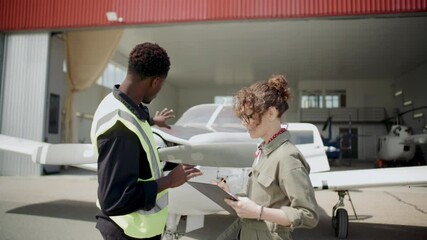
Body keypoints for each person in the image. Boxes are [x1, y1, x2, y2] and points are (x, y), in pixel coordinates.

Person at [90, 42, 202, 240]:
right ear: (155, 82)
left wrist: (153, 121)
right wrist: (170, 181)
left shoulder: (116, 103)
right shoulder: (120, 130)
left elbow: (139, 154)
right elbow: (114, 200)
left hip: (131, 229)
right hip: (129, 231)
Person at [217, 74, 319, 240]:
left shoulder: (287, 157)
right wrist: (230, 194)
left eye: (249, 116)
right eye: (243, 118)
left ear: (271, 113)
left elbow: (308, 215)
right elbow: (259, 198)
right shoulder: (264, 151)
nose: (245, 123)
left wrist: (259, 212)